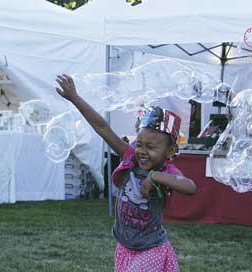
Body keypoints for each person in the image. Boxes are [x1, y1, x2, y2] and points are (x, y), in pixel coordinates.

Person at [56, 74, 196, 272]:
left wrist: (154, 177)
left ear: (170, 152)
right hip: (125, 246)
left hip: (151, 249)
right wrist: (75, 98)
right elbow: (102, 127)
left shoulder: (165, 171)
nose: (142, 151)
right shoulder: (130, 157)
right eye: (139, 144)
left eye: (151, 147)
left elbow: (190, 187)